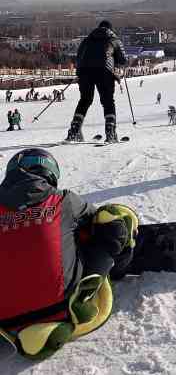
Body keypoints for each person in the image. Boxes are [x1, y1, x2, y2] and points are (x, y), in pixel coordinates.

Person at [0, 148, 137, 361]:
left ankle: (25, 330)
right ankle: (116, 269)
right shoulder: (63, 200)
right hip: (61, 305)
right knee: (110, 220)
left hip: (4, 319)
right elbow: (96, 220)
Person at [65, 21, 127, 143]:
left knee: (85, 100)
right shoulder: (114, 39)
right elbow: (123, 59)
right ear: (110, 29)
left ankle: (74, 131)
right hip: (104, 72)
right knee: (108, 101)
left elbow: (79, 57)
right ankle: (110, 132)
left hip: (84, 72)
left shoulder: (86, 40)